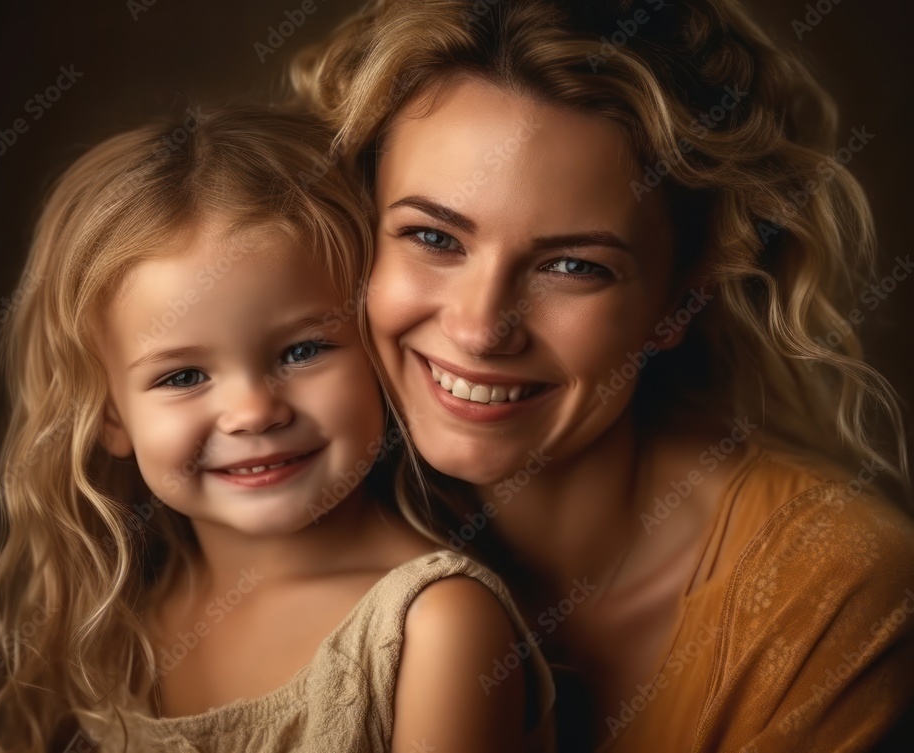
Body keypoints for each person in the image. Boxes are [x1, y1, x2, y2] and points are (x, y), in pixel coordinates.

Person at [289, 0, 914, 749]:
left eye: (573, 266)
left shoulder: (830, 590)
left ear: (681, 298)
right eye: (433, 236)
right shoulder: (254, 501)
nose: (480, 328)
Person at [0, 105, 555, 753]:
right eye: (183, 376)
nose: (253, 412)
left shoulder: (437, 627)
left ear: (376, 352)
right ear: (107, 415)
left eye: (301, 352)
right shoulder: (114, 624)